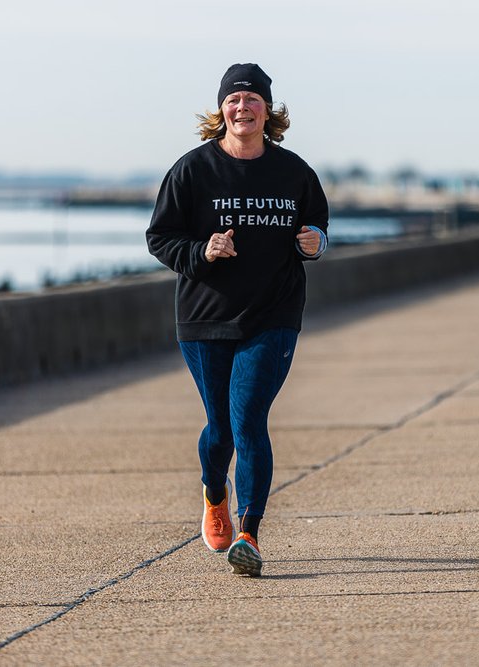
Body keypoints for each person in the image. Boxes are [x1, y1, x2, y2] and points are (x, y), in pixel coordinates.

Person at [146, 63, 328, 576]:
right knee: (220, 429)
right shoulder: (192, 170)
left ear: (268, 110)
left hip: (273, 315)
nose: (242, 107)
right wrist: (202, 250)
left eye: (252, 99)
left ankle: (248, 533)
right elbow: (159, 238)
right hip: (205, 318)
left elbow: (317, 223)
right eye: (234, 99)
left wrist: (315, 241)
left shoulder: (295, 172)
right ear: (221, 109)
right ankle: (213, 490)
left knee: (249, 419)